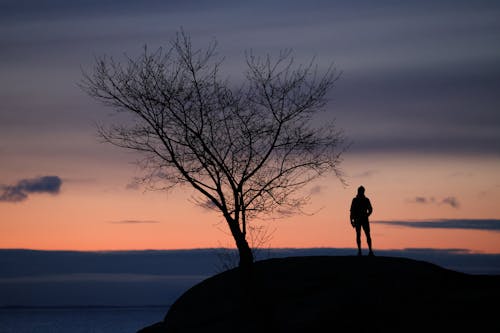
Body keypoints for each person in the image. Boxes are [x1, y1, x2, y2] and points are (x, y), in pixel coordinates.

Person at [350, 186, 374, 256]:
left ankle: (370, 251)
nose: (361, 192)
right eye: (360, 191)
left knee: (367, 235)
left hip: (364, 219)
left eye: (362, 191)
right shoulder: (355, 200)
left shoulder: (366, 200)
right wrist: (351, 220)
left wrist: (367, 215)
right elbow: (352, 211)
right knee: (358, 235)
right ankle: (360, 251)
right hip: (358, 220)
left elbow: (370, 209)